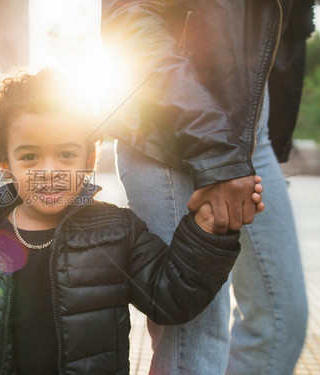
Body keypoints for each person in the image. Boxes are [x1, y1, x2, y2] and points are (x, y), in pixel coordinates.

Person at [0, 70, 264, 374]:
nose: (50, 171)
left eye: (67, 154)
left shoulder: (117, 231)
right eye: (30, 156)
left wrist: (209, 229)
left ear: (89, 158)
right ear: (5, 163)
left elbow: (171, 297)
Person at [101, 1, 313, 373]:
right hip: (169, 129)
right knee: (194, 337)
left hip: (252, 132)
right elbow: (132, 20)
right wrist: (216, 152)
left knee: (280, 322)